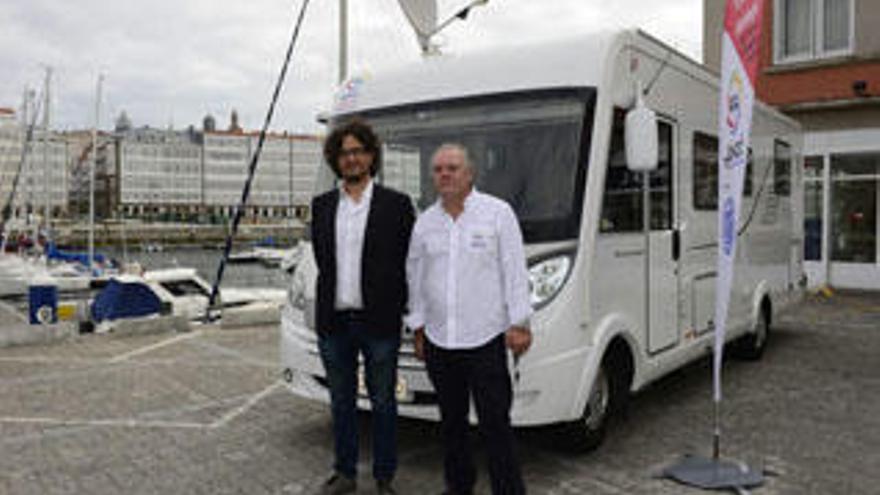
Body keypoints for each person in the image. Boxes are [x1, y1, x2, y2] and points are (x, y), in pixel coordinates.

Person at [406, 143, 533, 495]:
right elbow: (414, 278)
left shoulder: (497, 213)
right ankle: (458, 487)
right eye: (438, 169)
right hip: (440, 342)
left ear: (470, 173)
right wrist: (417, 328)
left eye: (453, 168)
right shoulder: (425, 223)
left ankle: (508, 490)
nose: (445, 174)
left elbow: (514, 271)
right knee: (451, 425)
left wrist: (520, 322)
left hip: (486, 340)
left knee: (496, 424)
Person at [310, 120, 415, 495]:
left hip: (379, 321)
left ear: (371, 156)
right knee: (341, 402)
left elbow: (408, 264)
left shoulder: (397, 205)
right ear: (336, 160)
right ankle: (345, 473)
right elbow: (325, 263)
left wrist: (409, 314)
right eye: (344, 153)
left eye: (358, 151)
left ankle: (384, 478)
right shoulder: (321, 207)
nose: (351, 159)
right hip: (335, 321)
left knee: (384, 402)